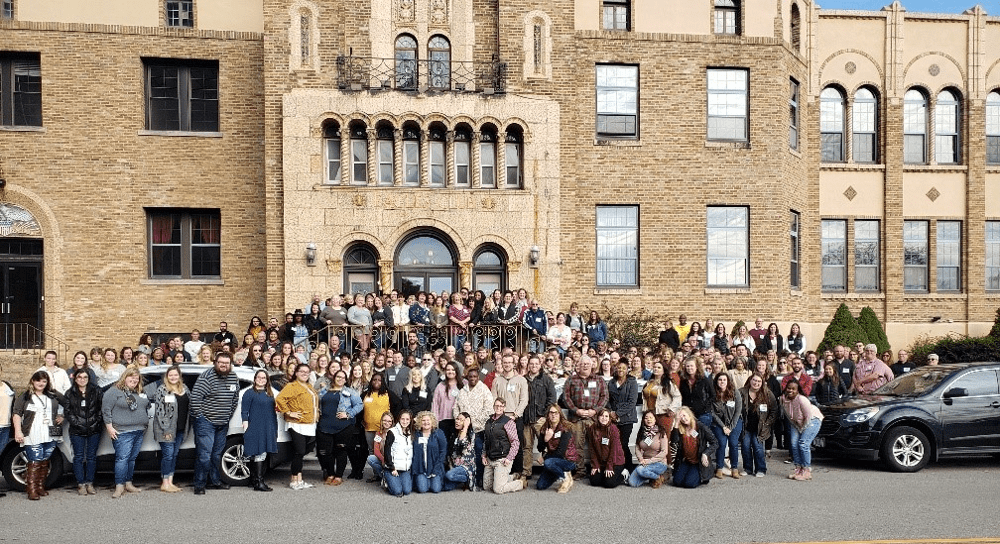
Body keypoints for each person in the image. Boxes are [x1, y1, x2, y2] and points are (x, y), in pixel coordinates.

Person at [189, 352, 241, 495]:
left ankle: (215, 481)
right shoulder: (207, 377)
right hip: (206, 422)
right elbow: (195, 399)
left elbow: (235, 398)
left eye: (226, 363)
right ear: (215, 363)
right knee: (204, 455)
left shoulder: (233, 377)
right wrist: (200, 417)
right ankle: (199, 484)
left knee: (217, 455)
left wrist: (227, 416)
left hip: (222, 423)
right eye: (221, 363)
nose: (224, 365)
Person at [12, 371, 64, 500]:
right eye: (38, 380)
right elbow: (17, 414)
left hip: (50, 433)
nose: (41, 383)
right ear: (32, 381)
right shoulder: (25, 396)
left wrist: (63, 416)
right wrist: (18, 431)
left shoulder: (52, 395)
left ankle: (40, 487)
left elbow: (69, 403)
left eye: (44, 381)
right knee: (35, 460)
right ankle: (31, 489)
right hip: (33, 432)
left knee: (44, 461)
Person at [102, 367, 151, 498]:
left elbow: (146, 406)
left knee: (132, 459)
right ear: (125, 377)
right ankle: (119, 486)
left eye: (137, 378)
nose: (134, 380)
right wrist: (109, 427)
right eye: (131, 377)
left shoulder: (139, 391)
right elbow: (106, 410)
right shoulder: (114, 391)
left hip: (139, 431)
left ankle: (128, 483)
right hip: (122, 432)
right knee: (122, 459)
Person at [146, 365, 190, 493]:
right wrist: (166, 430)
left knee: (174, 455)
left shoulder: (185, 389)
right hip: (166, 429)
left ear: (179, 376)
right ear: (166, 376)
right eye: (170, 375)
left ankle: (170, 482)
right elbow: (160, 412)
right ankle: (164, 483)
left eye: (176, 375)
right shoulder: (162, 390)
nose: (173, 377)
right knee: (168, 455)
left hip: (180, 428)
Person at [276, 363, 320, 490]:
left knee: (304, 451)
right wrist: (289, 412)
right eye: (302, 371)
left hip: (310, 423)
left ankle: (299, 479)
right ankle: (294, 479)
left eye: (307, 372)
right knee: (299, 452)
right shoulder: (292, 386)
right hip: (297, 424)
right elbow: (280, 399)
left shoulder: (309, 386)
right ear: (296, 373)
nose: (304, 374)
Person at [564, 356, 608, 479]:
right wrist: (576, 410)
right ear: (578, 365)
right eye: (582, 364)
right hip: (576, 418)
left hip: (593, 418)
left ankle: (598, 468)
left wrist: (595, 411)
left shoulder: (599, 380)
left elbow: (604, 397)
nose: (585, 366)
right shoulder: (571, 380)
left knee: (597, 444)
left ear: (592, 365)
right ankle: (580, 470)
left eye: (587, 364)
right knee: (577, 446)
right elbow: (566, 398)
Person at [63, 369, 102, 495]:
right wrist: (78, 424)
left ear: (89, 378)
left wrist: (95, 422)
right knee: (78, 457)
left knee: (91, 457)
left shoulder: (96, 390)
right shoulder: (70, 393)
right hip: (76, 430)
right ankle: (80, 484)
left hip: (94, 429)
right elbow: (68, 412)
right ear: (75, 378)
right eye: (79, 377)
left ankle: (90, 483)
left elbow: (101, 409)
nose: (82, 379)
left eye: (85, 377)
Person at [490, 354, 529, 476]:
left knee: (516, 445)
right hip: (501, 418)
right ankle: (504, 472)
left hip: (515, 417)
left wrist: (515, 415)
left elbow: (524, 400)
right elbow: (494, 399)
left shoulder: (521, 380)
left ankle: (517, 472)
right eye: (504, 362)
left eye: (509, 362)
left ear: (513, 364)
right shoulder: (497, 380)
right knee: (502, 445)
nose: (507, 365)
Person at [241, 369, 277, 492]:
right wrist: (246, 428)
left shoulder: (270, 393)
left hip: (268, 426)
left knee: (262, 453)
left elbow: (272, 412)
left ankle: (253, 480)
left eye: (264, 378)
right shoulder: (249, 393)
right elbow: (244, 411)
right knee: (259, 453)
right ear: (255, 379)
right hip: (255, 427)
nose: (261, 380)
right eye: (259, 377)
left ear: (267, 380)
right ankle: (259, 482)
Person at [782, 379, 824, 481]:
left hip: (812, 420)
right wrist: (797, 426)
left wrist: (802, 428)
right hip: (796, 422)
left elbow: (808, 416)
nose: (790, 390)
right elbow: (788, 416)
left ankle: (806, 470)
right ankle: (798, 469)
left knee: (803, 443)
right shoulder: (783, 399)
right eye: (789, 388)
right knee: (793, 444)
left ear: (798, 390)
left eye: (793, 389)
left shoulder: (802, 399)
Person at [481, 397, 524, 494]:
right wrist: (484, 456)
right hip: (490, 459)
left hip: (502, 459)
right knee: (486, 487)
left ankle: (520, 483)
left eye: (501, 406)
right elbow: (486, 440)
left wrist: (509, 458)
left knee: (498, 489)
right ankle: (510, 477)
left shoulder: (508, 422)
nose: (499, 408)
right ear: (493, 406)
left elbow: (515, 442)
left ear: (504, 408)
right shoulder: (488, 422)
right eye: (497, 405)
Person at [668, 406, 718, 489]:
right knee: (677, 481)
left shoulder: (700, 426)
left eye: (684, 415)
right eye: (681, 417)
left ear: (689, 414)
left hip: (698, 461)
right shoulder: (681, 429)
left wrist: (705, 454)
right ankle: (690, 472)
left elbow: (715, 442)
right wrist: (676, 423)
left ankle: (703, 477)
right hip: (687, 460)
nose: (683, 419)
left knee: (689, 484)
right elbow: (673, 441)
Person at [740, 373, 776, 477]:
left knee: (758, 447)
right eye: (754, 380)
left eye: (759, 381)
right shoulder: (741, 392)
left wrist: (767, 423)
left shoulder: (767, 393)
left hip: (760, 427)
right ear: (750, 380)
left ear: (762, 383)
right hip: (745, 426)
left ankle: (761, 469)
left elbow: (774, 410)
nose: (756, 383)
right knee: (745, 446)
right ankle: (747, 469)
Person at [535, 403, 577, 493]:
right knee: (540, 485)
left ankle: (565, 476)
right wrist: (546, 439)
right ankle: (557, 473)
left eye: (556, 413)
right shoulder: (545, 428)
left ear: (560, 415)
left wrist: (544, 458)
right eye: (551, 413)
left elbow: (560, 452)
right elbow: (539, 448)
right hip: (553, 461)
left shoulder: (566, 429)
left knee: (548, 462)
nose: (553, 415)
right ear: (548, 415)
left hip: (567, 460)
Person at [607, 361, 639, 470]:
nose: (621, 370)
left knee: (624, 443)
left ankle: (629, 468)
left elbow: (632, 402)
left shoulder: (632, 382)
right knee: (615, 444)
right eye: (619, 368)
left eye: (623, 368)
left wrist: (617, 413)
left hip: (627, 418)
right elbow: (607, 400)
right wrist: (611, 412)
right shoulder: (611, 383)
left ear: (627, 370)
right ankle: (618, 468)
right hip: (613, 418)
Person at [710, 372, 742, 479]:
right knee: (722, 443)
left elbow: (738, 411)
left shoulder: (734, 392)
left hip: (734, 422)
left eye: (724, 380)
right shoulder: (713, 394)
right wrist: (723, 426)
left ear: (728, 381)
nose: (722, 382)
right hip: (719, 423)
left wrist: (730, 427)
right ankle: (719, 468)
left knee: (733, 443)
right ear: (716, 381)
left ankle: (734, 468)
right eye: (720, 380)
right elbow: (712, 413)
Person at [628, 410, 670, 488]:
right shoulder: (642, 432)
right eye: (646, 418)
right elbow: (637, 447)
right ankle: (652, 477)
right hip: (645, 463)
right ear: (643, 420)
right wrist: (641, 459)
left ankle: (659, 477)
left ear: (655, 419)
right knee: (632, 483)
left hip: (659, 463)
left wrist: (650, 461)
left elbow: (664, 452)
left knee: (640, 470)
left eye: (651, 417)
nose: (649, 420)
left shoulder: (661, 432)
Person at [586, 407, 625, 488]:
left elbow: (613, 450)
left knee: (609, 483)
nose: (604, 418)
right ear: (598, 417)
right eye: (602, 416)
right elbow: (592, 448)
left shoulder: (613, 429)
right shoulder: (592, 428)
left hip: (615, 462)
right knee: (594, 481)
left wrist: (609, 467)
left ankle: (624, 475)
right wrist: (595, 465)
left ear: (609, 418)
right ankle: (605, 475)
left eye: (606, 416)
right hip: (601, 462)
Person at [410, 410, 448, 493]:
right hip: (420, 468)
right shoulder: (416, 434)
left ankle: (432, 480)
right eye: (423, 420)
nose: (426, 422)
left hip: (435, 467)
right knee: (422, 489)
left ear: (432, 421)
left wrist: (437, 467)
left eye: (428, 420)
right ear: (420, 422)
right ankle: (424, 481)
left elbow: (443, 451)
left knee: (436, 489)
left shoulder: (439, 433)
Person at [383, 410, 415, 497]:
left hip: (405, 469)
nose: (405, 421)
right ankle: (386, 479)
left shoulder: (411, 433)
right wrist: (392, 468)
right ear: (399, 419)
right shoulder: (392, 432)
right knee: (397, 492)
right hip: (392, 468)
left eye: (407, 419)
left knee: (407, 491)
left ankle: (398, 480)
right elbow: (387, 451)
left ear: (410, 420)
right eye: (402, 419)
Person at [443, 411, 478, 491]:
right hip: (455, 467)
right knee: (445, 487)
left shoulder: (471, 434)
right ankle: (460, 480)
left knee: (449, 475)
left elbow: (461, 443)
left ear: (466, 422)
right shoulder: (454, 434)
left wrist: (466, 427)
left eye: (461, 420)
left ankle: (468, 478)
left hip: (466, 467)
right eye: (457, 419)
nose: (457, 421)